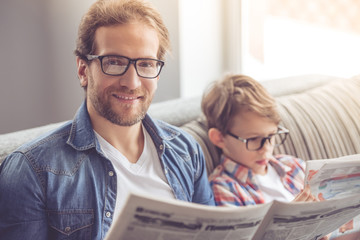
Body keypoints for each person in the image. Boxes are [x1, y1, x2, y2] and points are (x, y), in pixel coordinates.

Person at [0, 0, 214, 239]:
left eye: (145, 64)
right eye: (114, 62)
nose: (131, 83)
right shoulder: (31, 171)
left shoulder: (187, 151)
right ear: (83, 70)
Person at [201, 74, 316, 206]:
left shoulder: (295, 167)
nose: (266, 149)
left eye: (271, 135)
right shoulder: (223, 188)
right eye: (254, 139)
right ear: (219, 138)